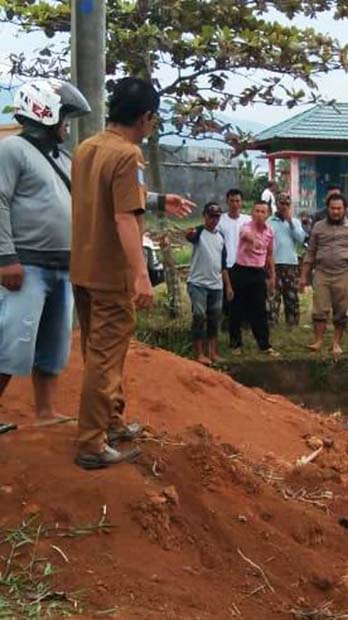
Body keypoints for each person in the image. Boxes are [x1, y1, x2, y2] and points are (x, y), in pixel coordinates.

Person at [71, 76, 194, 469]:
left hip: (83, 269)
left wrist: (158, 201)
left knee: (99, 351)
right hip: (111, 276)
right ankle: (92, 443)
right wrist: (141, 275)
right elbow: (125, 217)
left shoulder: (87, 149)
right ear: (145, 117)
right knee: (105, 360)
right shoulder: (128, 156)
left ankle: (113, 421)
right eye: (153, 119)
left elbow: (115, 197)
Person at [0, 79, 90, 431]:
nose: (66, 125)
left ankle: (45, 412)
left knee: (52, 346)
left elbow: (97, 194)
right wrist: (6, 258)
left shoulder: (62, 159)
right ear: (45, 111)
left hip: (62, 266)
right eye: (64, 117)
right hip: (27, 265)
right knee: (11, 341)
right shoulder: (12, 151)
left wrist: (158, 200)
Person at [301, 194, 348, 355]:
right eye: (333, 208)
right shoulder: (318, 227)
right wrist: (303, 276)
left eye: (339, 208)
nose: (336, 212)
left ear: (345, 209)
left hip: (343, 273)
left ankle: (336, 343)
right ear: (328, 209)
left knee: (340, 309)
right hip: (321, 272)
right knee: (319, 308)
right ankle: (318, 341)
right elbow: (310, 253)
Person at [185, 203, 233, 365]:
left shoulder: (220, 237)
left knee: (214, 318)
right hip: (198, 283)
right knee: (199, 316)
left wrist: (228, 286)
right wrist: (189, 234)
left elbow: (223, 265)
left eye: (217, 217)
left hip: (216, 285)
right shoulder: (199, 232)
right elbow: (190, 236)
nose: (214, 220)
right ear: (204, 216)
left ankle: (213, 352)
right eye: (211, 216)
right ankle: (199, 353)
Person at [230, 201, 277, 356]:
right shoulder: (246, 227)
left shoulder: (270, 231)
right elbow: (245, 235)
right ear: (252, 213)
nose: (259, 214)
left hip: (258, 272)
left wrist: (272, 275)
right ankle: (236, 344)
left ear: (267, 214)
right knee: (236, 309)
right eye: (256, 211)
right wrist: (254, 240)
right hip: (241, 271)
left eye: (263, 212)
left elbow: (270, 255)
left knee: (259, 310)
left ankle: (264, 345)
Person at [267, 192, 305, 327]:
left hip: (290, 263)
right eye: (281, 203)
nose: (284, 206)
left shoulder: (295, 221)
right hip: (274, 262)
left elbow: (301, 239)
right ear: (276, 204)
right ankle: (271, 321)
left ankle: (293, 322)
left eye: (287, 204)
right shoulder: (269, 222)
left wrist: (290, 222)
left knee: (291, 294)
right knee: (273, 294)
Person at [216, 188, 250, 333]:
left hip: (244, 262)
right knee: (228, 294)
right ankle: (228, 321)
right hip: (227, 263)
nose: (235, 204)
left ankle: (244, 321)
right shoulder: (221, 220)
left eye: (237, 201)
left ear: (241, 202)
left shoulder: (248, 220)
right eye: (232, 201)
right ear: (227, 202)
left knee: (244, 293)